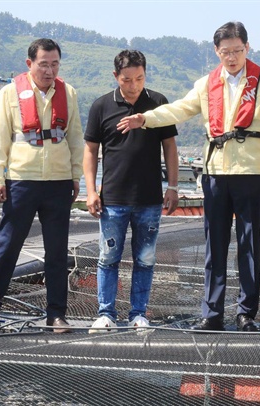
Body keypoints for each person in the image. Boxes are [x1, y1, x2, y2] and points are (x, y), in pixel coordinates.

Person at [117, 21, 260, 332]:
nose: (231, 57)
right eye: (225, 52)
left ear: (248, 48)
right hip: (216, 171)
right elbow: (178, 109)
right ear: (216, 52)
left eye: (237, 50)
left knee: (248, 243)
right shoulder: (206, 84)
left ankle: (247, 312)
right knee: (214, 244)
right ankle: (212, 312)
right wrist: (145, 118)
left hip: (250, 171)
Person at [0, 38, 84, 333]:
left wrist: (77, 176)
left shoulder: (69, 93)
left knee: (58, 252)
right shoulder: (10, 93)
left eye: (55, 64)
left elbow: (75, 137)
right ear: (30, 64)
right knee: (8, 246)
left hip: (58, 181)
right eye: (43, 64)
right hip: (22, 181)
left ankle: (56, 314)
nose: (49, 71)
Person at [83, 50, 179, 333]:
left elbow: (170, 147)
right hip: (112, 198)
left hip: (149, 199)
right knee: (108, 257)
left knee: (145, 259)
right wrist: (91, 190)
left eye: (139, 78)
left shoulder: (158, 103)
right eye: (127, 80)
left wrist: (172, 186)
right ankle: (106, 314)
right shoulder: (101, 106)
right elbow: (90, 151)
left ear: (145, 75)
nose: (134, 85)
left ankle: (138, 313)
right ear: (116, 77)